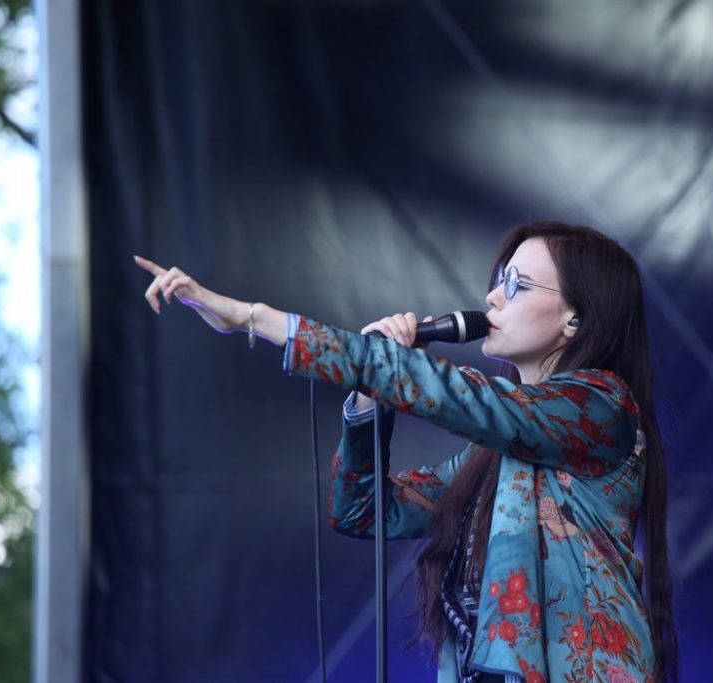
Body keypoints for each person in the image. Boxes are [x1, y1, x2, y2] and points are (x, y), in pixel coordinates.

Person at [133, 220, 678, 683]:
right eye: (497, 280)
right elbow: (364, 510)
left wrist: (253, 317)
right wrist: (369, 397)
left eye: (516, 284)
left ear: (574, 319)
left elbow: (466, 398)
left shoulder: (604, 407)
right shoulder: (497, 458)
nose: (492, 297)